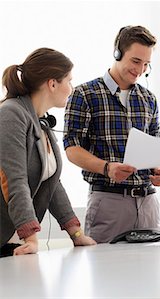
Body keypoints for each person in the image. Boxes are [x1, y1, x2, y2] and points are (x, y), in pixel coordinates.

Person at [63, 26, 160, 243]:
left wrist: (159, 171)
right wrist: (106, 168)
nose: (140, 70)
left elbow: (154, 146)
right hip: (108, 203)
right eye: (136, 61)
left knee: (152, 275)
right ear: (117, 53)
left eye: (146, 64)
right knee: (107, 274)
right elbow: (72, 149)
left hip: (148, 203)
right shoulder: (84, 94)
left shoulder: (149, 99)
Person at [0, 48, 96, 257]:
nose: (71, 88)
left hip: (11, 242)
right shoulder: (11, 114)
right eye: (69, 81)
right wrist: (31, 238)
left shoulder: (40, 121)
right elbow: (14, 180)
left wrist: (76, 234)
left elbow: (52, 183)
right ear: (52, 83)